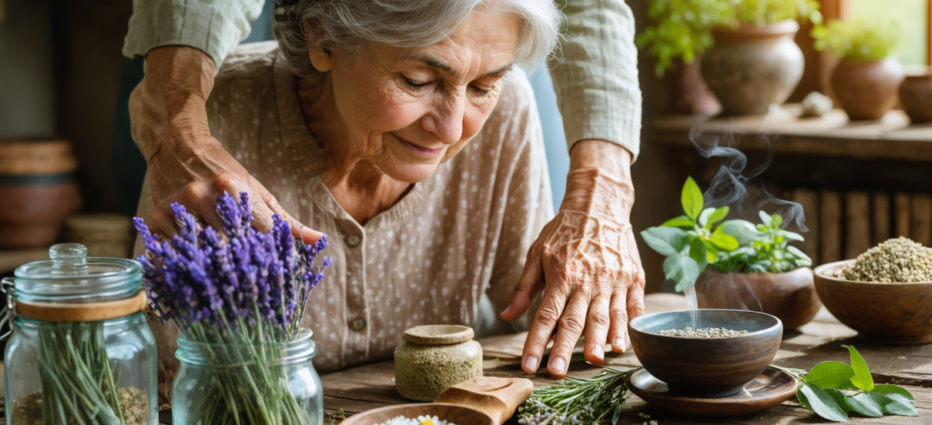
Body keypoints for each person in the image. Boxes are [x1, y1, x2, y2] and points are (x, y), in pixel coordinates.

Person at [123, 0, 644, 379]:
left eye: (484, 86)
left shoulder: (507, 113)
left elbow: (540, 323)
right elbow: (167, 374)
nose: (450, 129)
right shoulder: (215, 125)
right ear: (323, 37)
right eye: (418, 80)